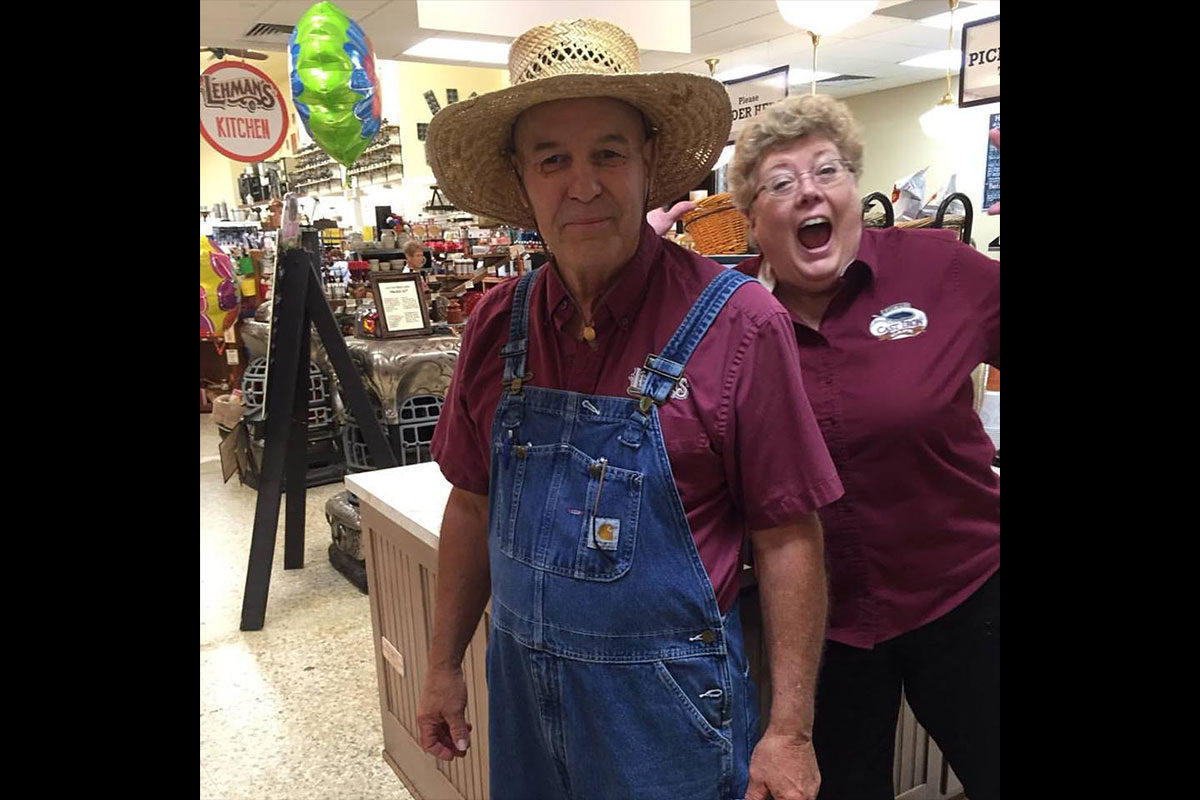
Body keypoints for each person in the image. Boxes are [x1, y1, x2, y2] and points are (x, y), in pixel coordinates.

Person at [417, 18, 844, 800]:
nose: (582, 185)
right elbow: (473, 506)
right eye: (554, 160)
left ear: (649, 161)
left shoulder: (741, 324)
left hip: (668, 728)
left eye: (607, 154)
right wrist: (443, 663)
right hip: (521, 708)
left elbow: (788, 537)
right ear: (521, 180)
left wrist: (789, 732)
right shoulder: (493, 324)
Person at [724, 94, 1000, 800]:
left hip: (966, 598)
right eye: (780, 183)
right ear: (751, 219)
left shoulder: (942, 270)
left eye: (829, 170)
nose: (809, 190)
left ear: (854, 188)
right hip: (823, 635)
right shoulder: (730, 323)